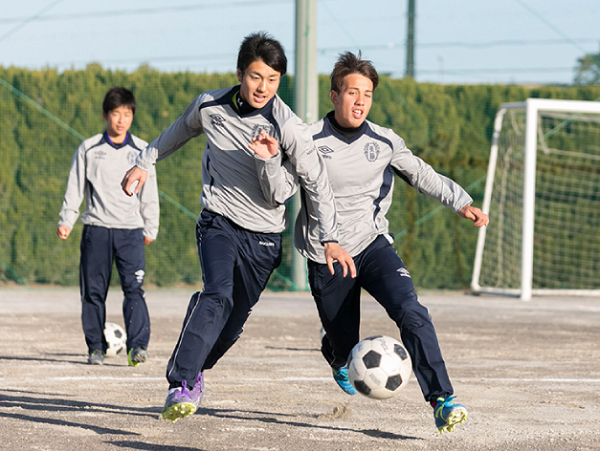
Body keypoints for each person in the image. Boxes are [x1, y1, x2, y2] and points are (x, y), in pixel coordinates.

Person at [120, 31, 355, 423]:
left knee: (228, 328)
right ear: (240, 74)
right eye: (256, 76)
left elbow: (299, 189)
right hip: (218, 220)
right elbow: (180, 130)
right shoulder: (210, 105)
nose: (263, 87)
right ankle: (180, 383)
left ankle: (195, 369)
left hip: (263, 236)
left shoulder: (288, 127)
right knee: (218, 294)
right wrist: (145, 161)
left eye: (273, 79)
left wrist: (328, 235)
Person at [293, 52, 489, 433]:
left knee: (411, 310)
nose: (361, 100)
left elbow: (421, 173)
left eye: (367, 93)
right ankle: (335, 354)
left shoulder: (384, 141)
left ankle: (442, 399)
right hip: (327, 254)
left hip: (372, 246)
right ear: (334, 96)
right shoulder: (308, 140)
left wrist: (460, 201)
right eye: (352, 92)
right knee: (344, 349)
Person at [57, 86, 160, 367]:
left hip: (130, 233)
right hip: (97, 230)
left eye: (126, 114)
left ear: (132, 117)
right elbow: (75, 187)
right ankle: (95, 348)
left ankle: (138, 347)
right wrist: (67, 219)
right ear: (106, 115)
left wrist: (151, 227)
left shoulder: (142, 151)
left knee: (134, 290)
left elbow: (149, 193)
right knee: (93, 293)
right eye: (116, 114)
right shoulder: (89, 149)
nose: (121, 120)